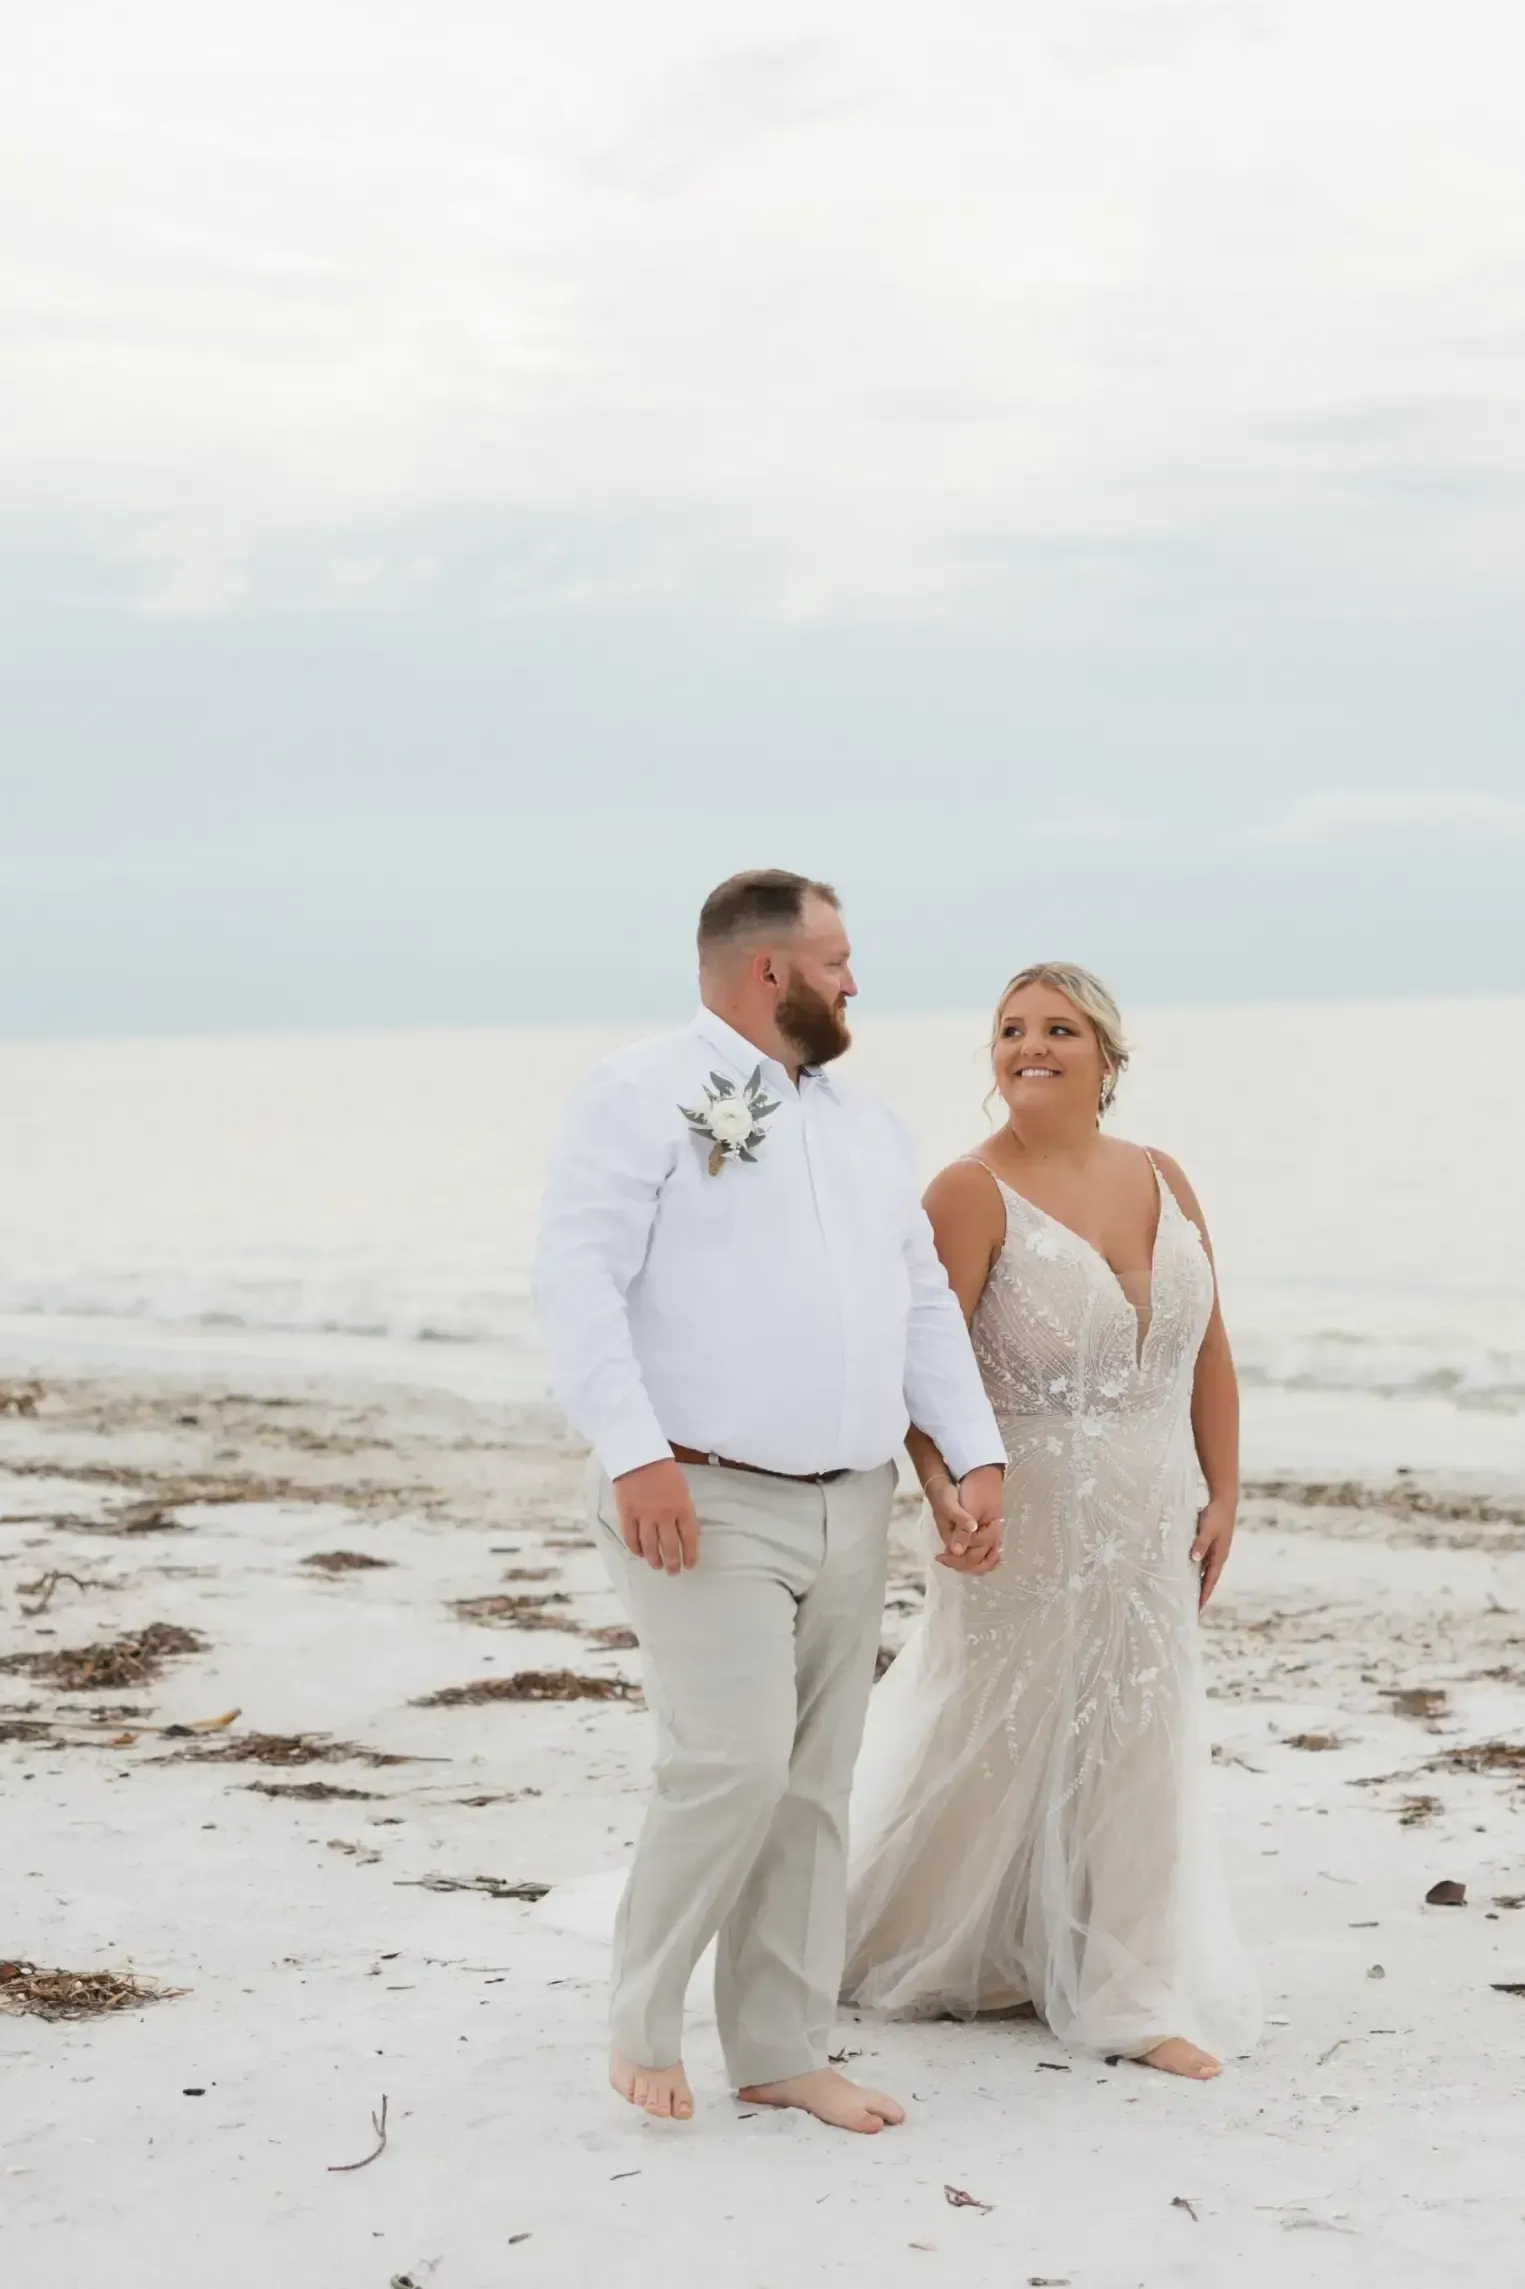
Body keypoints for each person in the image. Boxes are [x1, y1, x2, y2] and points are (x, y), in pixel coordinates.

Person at [532, 870, 1007, 2132]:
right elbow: (576, 1276)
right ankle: (640, 2014)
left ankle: (781, 2046)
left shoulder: (866, 1125)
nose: (855, 978)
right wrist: (631, 1451)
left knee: (810, 1784)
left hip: (850, 1500)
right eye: (837, 957)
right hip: (697, 1490)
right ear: (768, 972)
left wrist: (971, 1455)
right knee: (729, 1763)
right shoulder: (638, 1090)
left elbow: (915, 1301)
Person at [842, 962, 1259, 2078]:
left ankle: (1127, 1989)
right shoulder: (967, 1190)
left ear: (1106, 1059)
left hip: (1150, 1508)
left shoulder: (1164, 1174)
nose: (1029, 1044)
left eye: (1058, 1028)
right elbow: (916, 1368)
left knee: (1137, 1730)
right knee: (989, 1731)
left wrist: (1223, 1488)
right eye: (1010, 1028)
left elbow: (1206, 1348)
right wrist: (939, 1489)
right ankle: (936, 1935)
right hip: (1013, 1515)